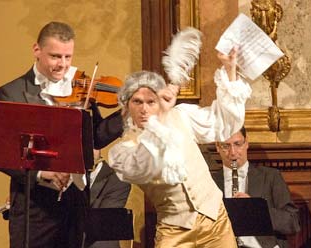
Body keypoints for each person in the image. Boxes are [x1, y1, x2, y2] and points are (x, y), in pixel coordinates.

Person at [0, 21, 123, 248]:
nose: (62, 65)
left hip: (76, 201)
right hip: (34, 206)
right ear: (37, 50)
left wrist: (128, 113)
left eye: (68, 57)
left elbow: (96, 137)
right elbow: (2, 154)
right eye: (55, 56)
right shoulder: (11, 92)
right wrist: (42, 173)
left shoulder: (80, 87)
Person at [108, 46, 252, 247]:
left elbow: (222, 123)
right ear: (126, 106)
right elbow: (147, 165)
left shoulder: (180, 115)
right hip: (175, 231)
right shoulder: (125, 150)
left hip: (215, 220)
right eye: (137, 102)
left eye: (151, 101)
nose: (144, 109)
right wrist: (160, 122)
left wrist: (230, 70)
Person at [213, 126, 301, 248]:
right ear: (217, 146)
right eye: (226, 146)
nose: (232, 152)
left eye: (237, 144)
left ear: (246, 143)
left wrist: (256, 209)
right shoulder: (208, 181)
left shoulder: (270, 176)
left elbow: (292, 222)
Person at [84, 148, 131, 248]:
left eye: (93, 146)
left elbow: (103, 224)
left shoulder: (118, 180)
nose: (88, 151)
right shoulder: (62, 174)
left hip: (98, 240)